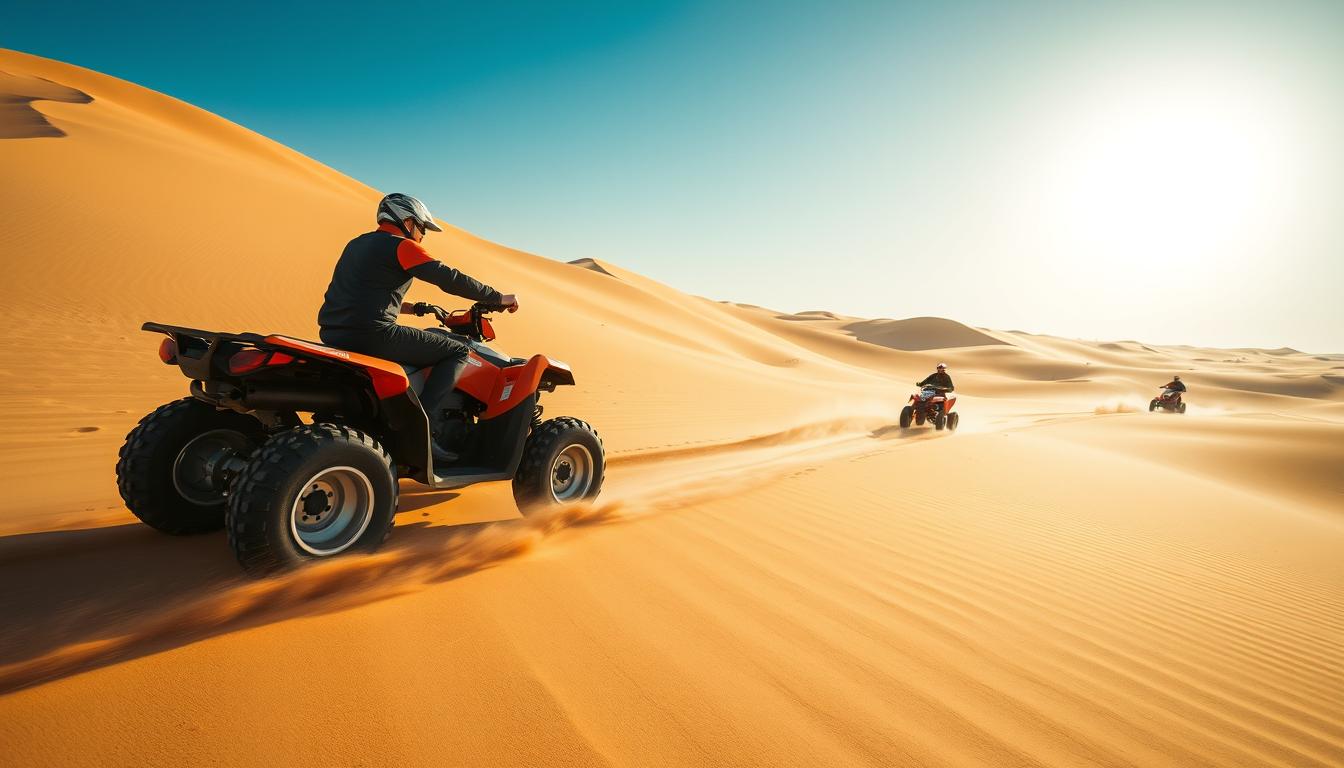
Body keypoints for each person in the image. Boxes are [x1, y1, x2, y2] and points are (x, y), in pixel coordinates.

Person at [318, 193, 518, 462]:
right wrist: (496, 296)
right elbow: (449, 278)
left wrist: (414, 308)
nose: (423, 235)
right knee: (457, 352)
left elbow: (364, 291)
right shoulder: (402, 246)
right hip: (373, 334)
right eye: (422, 228)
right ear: (408, 222)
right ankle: (425, 426)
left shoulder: (356, 244)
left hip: (334, 333)